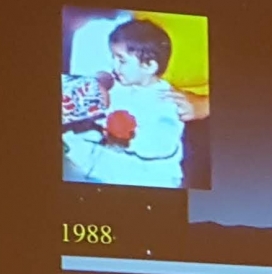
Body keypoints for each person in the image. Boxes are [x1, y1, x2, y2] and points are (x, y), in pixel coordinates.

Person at [61, 19, 187, 188]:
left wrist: (128, 136)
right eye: (113, 58)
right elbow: (100, 114)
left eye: (121, 60)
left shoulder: (166, 99)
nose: (114, 66)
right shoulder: (119, 85)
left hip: (147, 177)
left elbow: (164, 145)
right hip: (108, 166)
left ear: (149, 66)